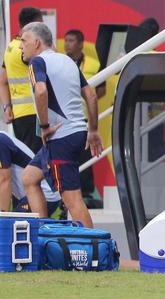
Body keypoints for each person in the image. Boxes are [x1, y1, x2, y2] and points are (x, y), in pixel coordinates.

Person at [19, 22, 102, 228]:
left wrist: (44, 126)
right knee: (29, 177)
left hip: (60, 137)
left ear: (36, 43)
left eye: (24, 41)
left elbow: (41, 91)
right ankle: (42, 232)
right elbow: (91, 95)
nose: (21, 46)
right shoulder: (68, 61)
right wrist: (93, 130)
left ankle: (92, 245)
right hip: (76, 132)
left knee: (72, 200)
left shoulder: (37, 62)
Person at [3, 8, 45, 152]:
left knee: (28, 157)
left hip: (19, 114)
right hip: (33, 113)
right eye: (41, 23)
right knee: (37, 158)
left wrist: (7, 106)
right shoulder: (26, 49)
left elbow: (2, 80)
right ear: (33, 24)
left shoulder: (11, 46)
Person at [0, 131, 63, 216]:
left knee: (12, 224)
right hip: (30, 194)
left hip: (43, 193)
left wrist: (2, 215)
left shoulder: (1, 141)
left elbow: (4, 180)